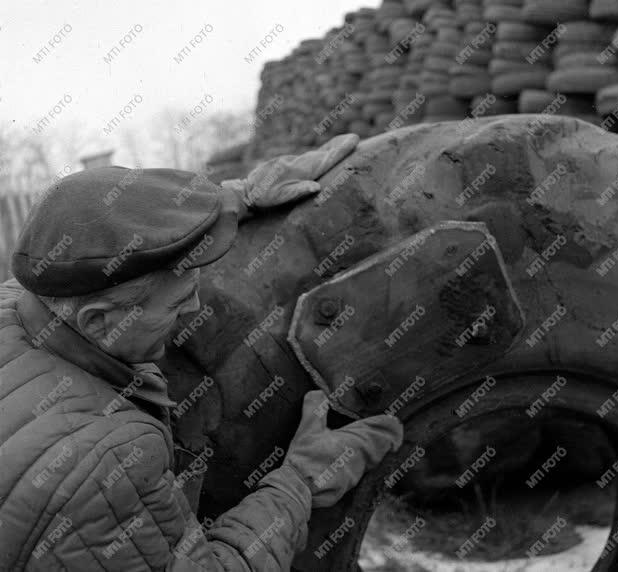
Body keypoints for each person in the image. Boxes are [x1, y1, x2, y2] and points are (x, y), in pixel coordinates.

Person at [0, 135, 404, 571]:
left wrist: (231, 201)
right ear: (98, 321)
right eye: (176, 304)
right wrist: (301, 480)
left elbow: (91, 230)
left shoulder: (25, 301)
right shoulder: (109, 459)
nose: (193, 308)